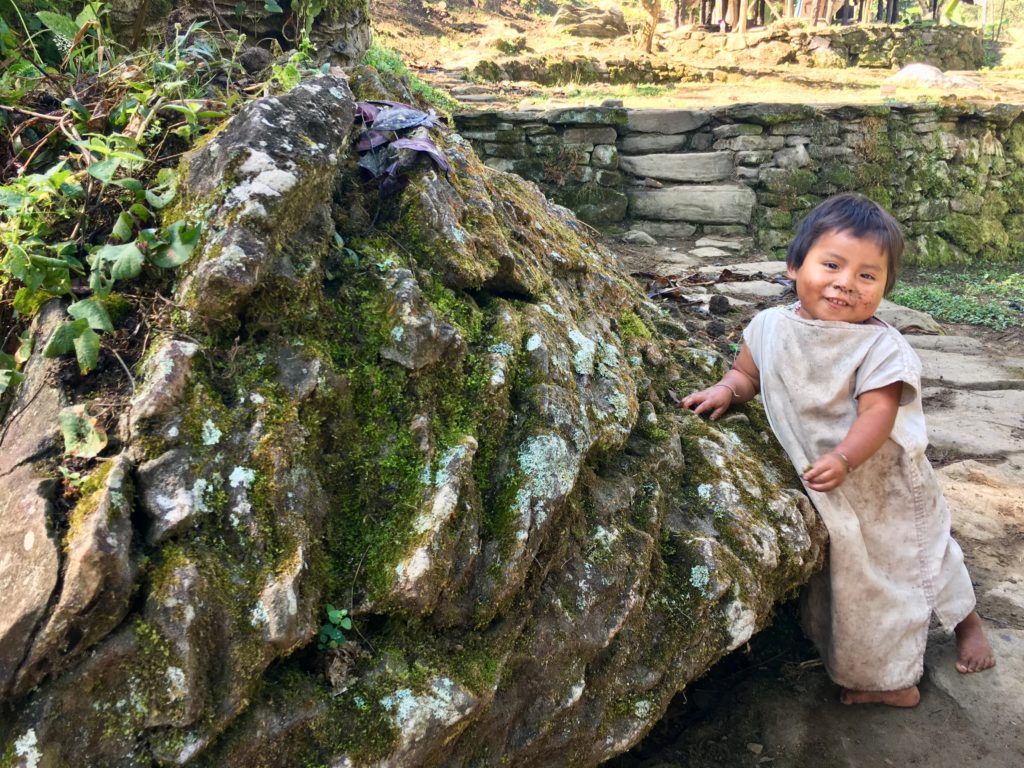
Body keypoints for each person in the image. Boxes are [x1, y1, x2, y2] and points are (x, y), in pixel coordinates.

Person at [682, 194, 996, 707]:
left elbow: (878, 413)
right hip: (827, 481)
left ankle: (930, 654)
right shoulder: (769, 326)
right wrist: (726, 391)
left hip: (884, 482)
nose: (846, 282)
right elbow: (746, 373)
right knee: (857, 579)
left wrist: (847, 458)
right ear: (794, 265)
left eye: (868, 276)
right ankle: (871, 659)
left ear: (885, 289)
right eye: (831, 264)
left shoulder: (880, 348)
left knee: (924, 556)